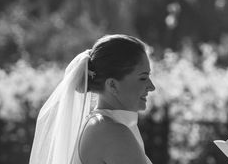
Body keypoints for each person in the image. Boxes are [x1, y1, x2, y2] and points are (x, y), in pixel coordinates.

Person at [29, 34, 156, 164]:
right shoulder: (112, 133)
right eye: (143, 78)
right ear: (112, 85)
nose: (152, 87)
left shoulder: (102, 125)